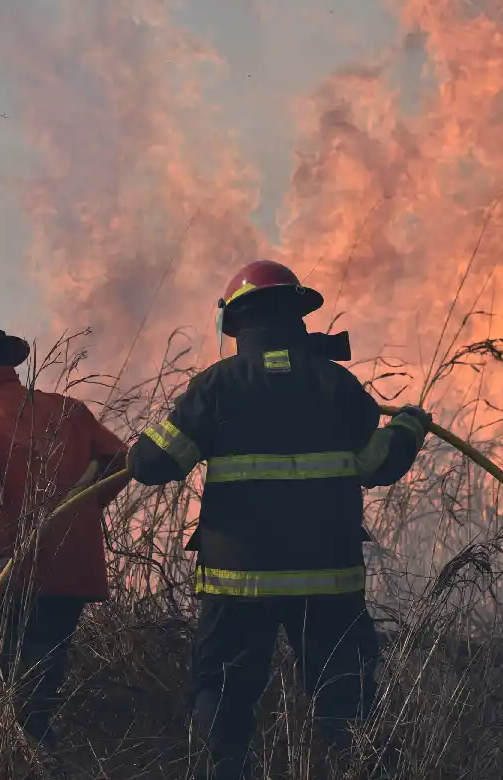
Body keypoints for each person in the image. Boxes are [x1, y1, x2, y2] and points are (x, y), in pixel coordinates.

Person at [126, 260, 432, 780]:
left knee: (223, 702)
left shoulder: (217, 386)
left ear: (235, 321)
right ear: (299, 316)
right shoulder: (336, 383)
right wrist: (407, 426)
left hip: (238, 583)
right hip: (328, 578)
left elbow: (149, 465)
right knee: (347, 705)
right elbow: (376, 464)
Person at [0, 315, 130, 749]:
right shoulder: (68, 409)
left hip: (9, 570)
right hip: (73, 574)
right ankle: (47, 749)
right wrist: (77, 516)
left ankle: (17, 725)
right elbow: (118, 461)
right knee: (36, 690)